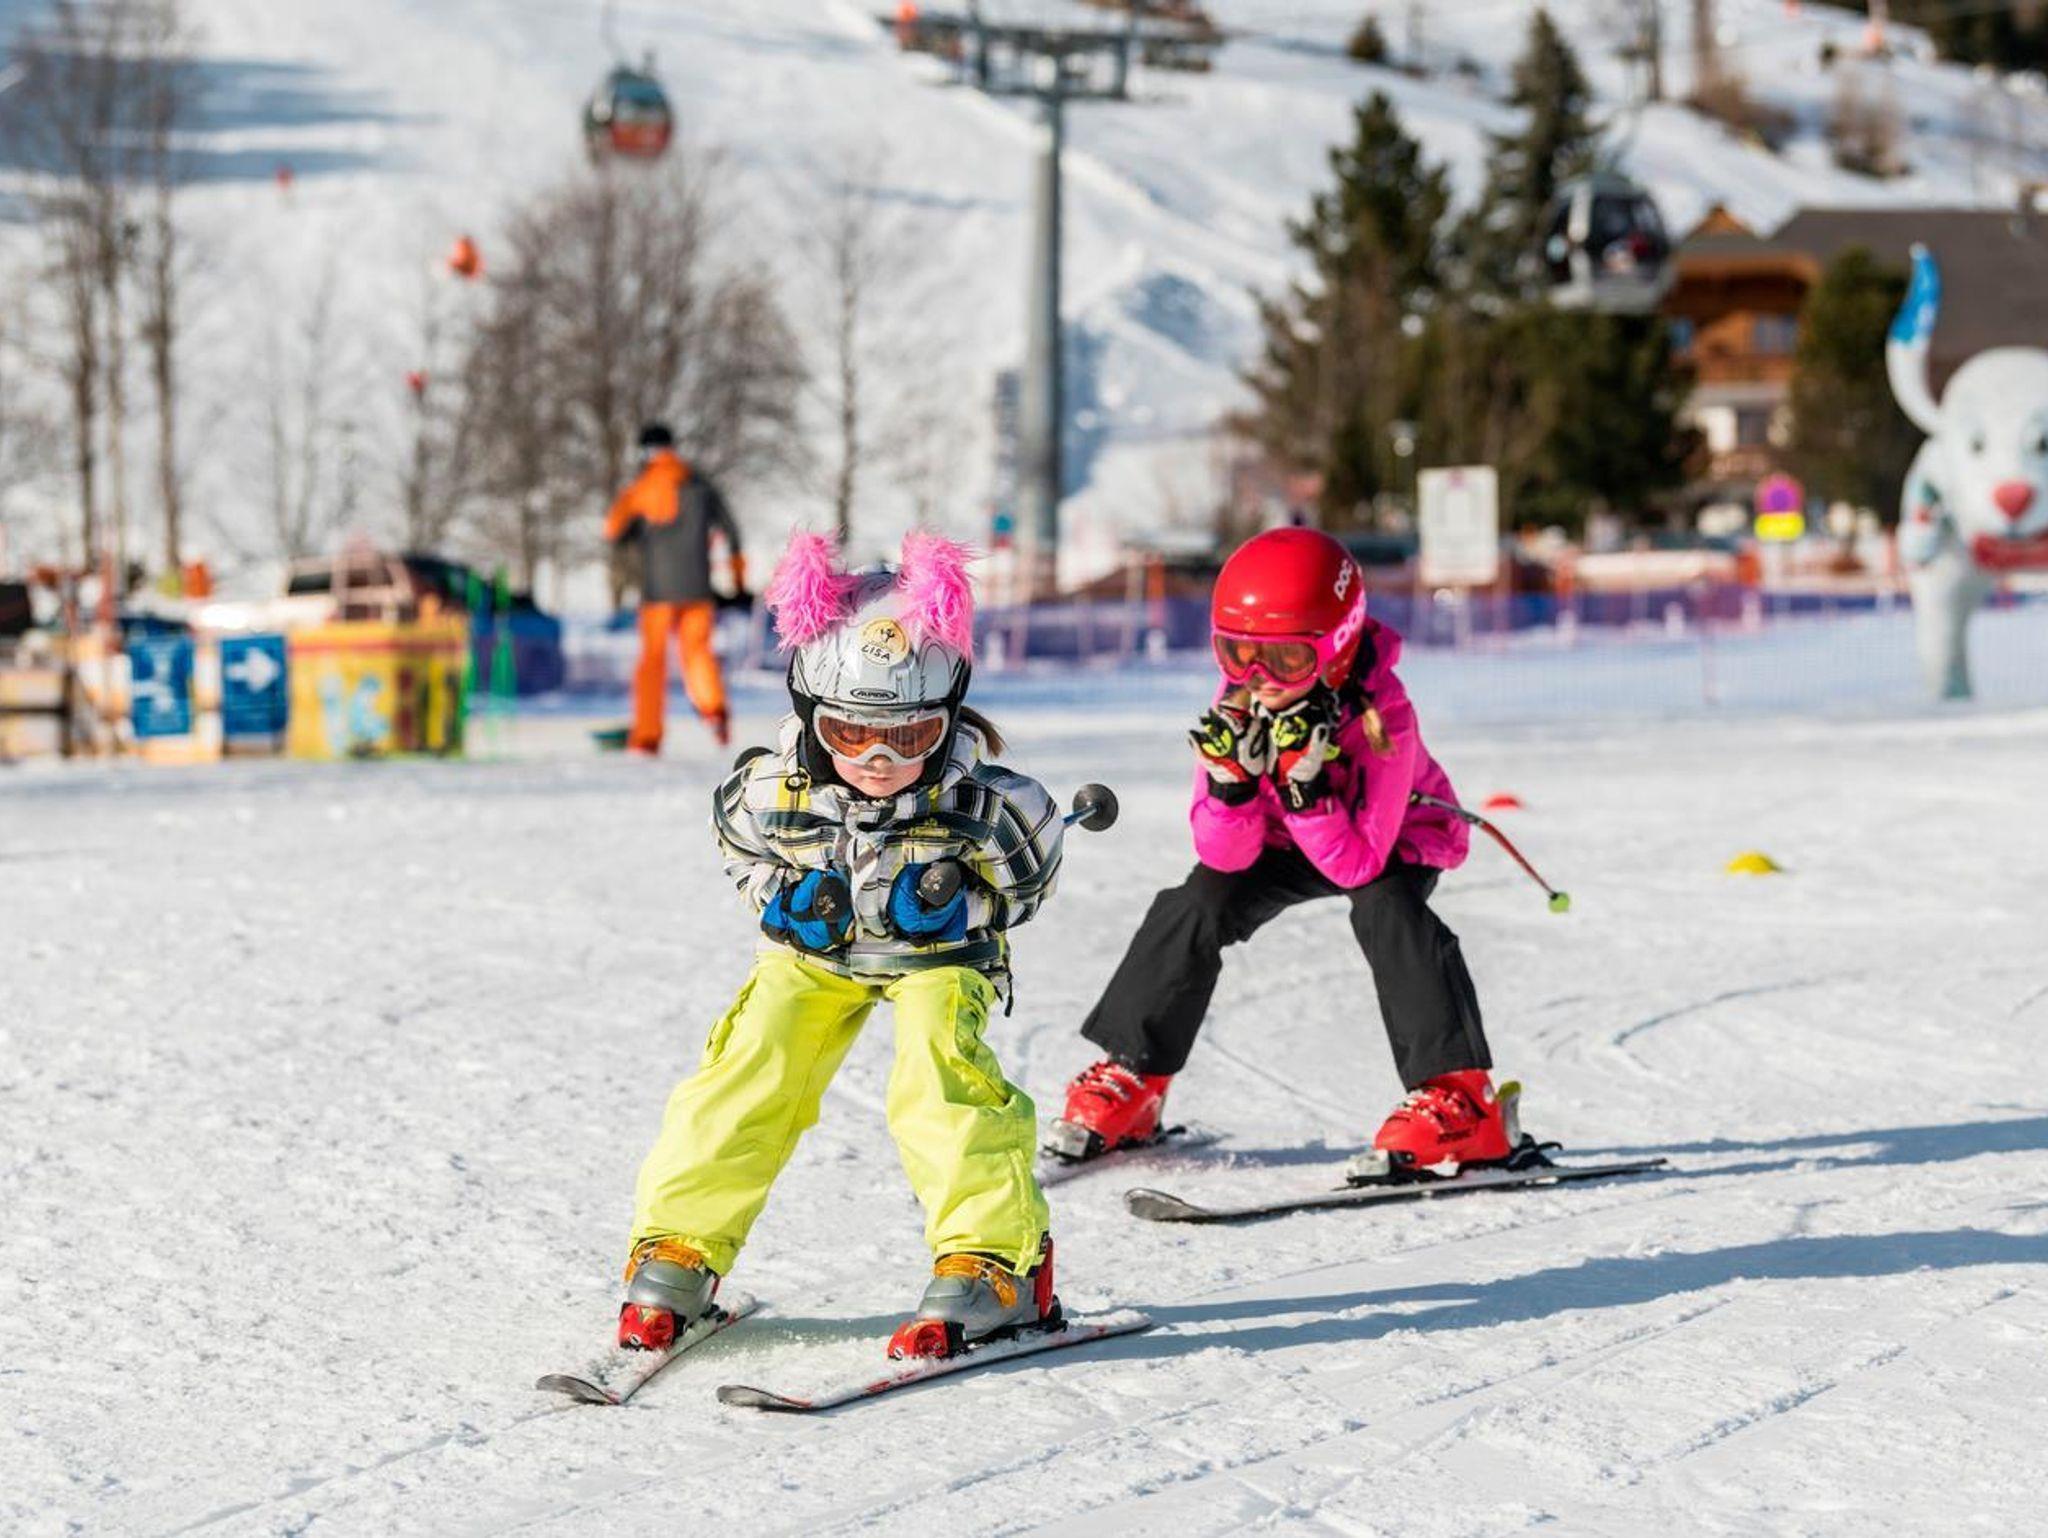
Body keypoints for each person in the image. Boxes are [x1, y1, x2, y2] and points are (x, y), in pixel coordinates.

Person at [619, 531, 1067, 1360]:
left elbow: (1031, 877)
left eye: (911, 735)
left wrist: (961, 904)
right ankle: (680, 1245)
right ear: (809, 713)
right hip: (816, 954)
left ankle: (996, 1263)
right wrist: (784, 903)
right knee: (753, 1058)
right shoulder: (772, 787)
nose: (880, 759)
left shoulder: (982, 800)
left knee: (937, 1072)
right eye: (851, 733)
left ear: (950, 717)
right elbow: (739, 843)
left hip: (935, 959)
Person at [1049, 527, 1512, 1181]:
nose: (1258, 679)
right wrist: (1232, 789)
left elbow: (1359, 862)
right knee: (1196, 903)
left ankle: (1461, 1100)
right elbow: (1223, 857)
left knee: (1388, 909)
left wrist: (1306, 791)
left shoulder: (1385, 713)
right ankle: (1136, 1076)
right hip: (1284, 840)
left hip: (1387, 838)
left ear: (1339, 644)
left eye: (1286, 660)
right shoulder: (1236, 704)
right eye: (1237, 653)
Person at [602, 422, 749, 752]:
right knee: (697, 653)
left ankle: (647, 735)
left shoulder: (641, 489)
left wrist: (636, 527)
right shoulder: (700, 485)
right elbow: (732, 531)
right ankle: (714, 710)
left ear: (644, 451)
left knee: (652, 663)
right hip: (698, 589)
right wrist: (738, 579)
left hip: (657, 592)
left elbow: (612, 531)